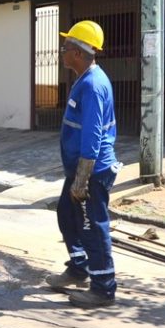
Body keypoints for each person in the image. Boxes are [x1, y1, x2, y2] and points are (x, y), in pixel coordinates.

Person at [44, 20, 121, 308]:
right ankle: (79, 268)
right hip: (79, 170)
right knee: (67, 215)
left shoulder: (92, 85)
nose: (61, 52)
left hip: (92, 171)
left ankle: (103, 288)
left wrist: (82, 179)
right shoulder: (86, 78)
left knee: (92, 226)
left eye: (65, 47)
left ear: (77, 52)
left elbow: (92, 134)